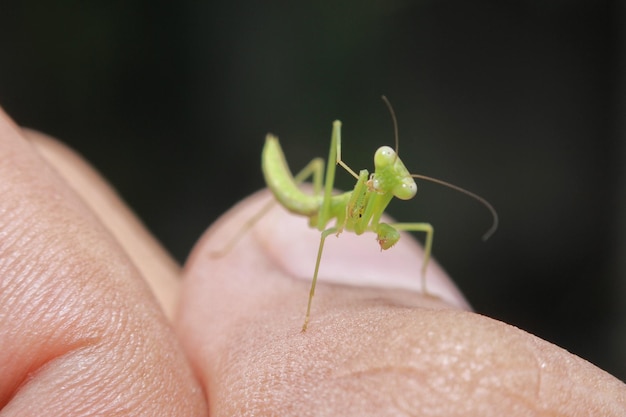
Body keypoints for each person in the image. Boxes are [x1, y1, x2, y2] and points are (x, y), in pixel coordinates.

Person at [0, 106, 623, 416]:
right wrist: (307, 305)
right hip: (299, 195)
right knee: (311, 217)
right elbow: (331, 232)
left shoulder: (378, 200)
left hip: (331, 206)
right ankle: (243, 250)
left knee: (419, 227)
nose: (396, 183)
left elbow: (382, 222)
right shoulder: (349, 196)